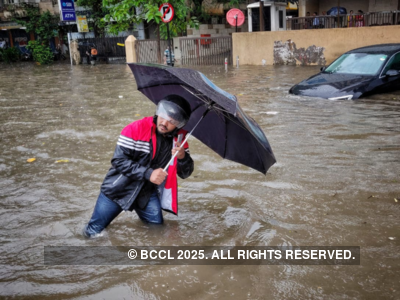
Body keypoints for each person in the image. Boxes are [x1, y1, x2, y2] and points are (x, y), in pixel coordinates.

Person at [82, 95, 194, 238]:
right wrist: (149, 173)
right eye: (163, 116)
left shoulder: (180, 141)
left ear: (179, 124)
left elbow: (185, 174)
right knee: (92, 232)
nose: (164, 123)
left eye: (172, 121)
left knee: (157, 231)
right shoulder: (135, 128)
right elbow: (118, 161)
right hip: (117, 189)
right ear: (159, 111)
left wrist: (183, 157)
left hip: (146, 194)